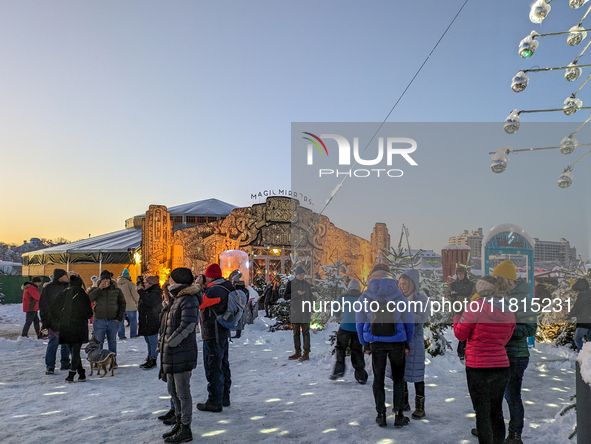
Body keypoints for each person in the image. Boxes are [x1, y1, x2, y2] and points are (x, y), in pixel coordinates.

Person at [454, 275, 516, 444]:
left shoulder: (475, 307)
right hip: (501, 366)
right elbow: (506, 338)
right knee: (496, 411)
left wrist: (456, 318)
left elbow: (460, 334)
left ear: (480, 289)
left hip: (478, 366)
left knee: (482, 412)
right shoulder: (508, 308)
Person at [355, 264, 414, 428]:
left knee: (378, 378)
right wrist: (407, 341)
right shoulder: (399, 296)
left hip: (375, 342)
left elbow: (359, 322)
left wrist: (364, 343)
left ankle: (381, 415)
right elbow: (409, 321)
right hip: (397, 342)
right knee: (398, 378)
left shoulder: (364, 297)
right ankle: (399, 415)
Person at [493, 260, 537, 444]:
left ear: (507, 279)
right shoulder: (500, 297)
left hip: (516, 355)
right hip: (498, 354)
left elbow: (530, 329)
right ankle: (491, 429)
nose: (495, 282)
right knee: (494, 395)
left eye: (498, 278)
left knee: (512, 397)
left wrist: (506, 328)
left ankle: (515, 434)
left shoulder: (524, 300)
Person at [159, 268, 200, 443]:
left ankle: (185, 427)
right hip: (171, 352)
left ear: (178, 281)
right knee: (172, 390)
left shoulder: (187, 299)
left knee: (183, 392)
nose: (168, 281)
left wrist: (171, 341)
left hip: (181, 351)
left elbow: (188, 325)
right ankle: (178, 421)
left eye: (170, 278)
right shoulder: (177, 299)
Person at [195, 263, 233, 412]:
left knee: (213, 367)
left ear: (209, 276)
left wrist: (198, 286)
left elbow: (200, 303)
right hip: (222, 332)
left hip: (213, 333)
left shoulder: (215, 290)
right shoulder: (226, 286)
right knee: (223, 364)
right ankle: (224, 397)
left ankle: (214, 401)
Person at [398, 269, 430, 419]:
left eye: (405, 284)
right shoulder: (398, 298)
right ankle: (404, 402)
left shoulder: (421, 299)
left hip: (415, 342)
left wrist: (404, 313)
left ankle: (420, 407)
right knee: (401, 372)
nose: (402, 287)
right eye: (400, 284)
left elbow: (422, 317)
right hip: (401, 340)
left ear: (412, 284)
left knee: (417, 374)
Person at [50, 274, 93, 383]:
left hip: (65, 325)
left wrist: (61, 318)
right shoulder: (83, 295)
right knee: (76, 351)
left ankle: (81, 373)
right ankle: (73, 373)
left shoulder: (63, 294)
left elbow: (54, 310)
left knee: (72, 351)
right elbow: (89, 313)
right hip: (79, 326)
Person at [330, 279, 367, 384]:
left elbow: (335, 308)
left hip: (345, 326)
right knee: (357, 350)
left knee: (340, 348)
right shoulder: (362, 297)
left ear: (349, 288)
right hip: (357, 327)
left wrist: (340, 316)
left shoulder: (343, 297)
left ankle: (339, 370)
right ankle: (361, 376)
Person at [88, 270, 126, 365]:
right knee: (98, 342)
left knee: (112, 341)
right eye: (103, 279)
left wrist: (119, 317)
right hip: (99, 320)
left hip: (113, 320)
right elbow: (89, 299)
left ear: (110, 279)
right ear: (100, 280)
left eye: (107, 279)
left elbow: (122, 303)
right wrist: (99, 289)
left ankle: (113, 360)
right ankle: (97, 360)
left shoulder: (117, 290)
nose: (105, 281)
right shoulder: (95, 289)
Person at [39, 268, 71, 374]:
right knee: (53, 343)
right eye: (65, 275)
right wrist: (46, 321)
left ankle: (65, 362)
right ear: (60, 277)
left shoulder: (69, 287)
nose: (67, 277)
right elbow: (43, 305)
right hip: (54, 321)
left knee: (66, 343)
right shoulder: (49, 288)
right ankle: (50, 366)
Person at [284, 265, 315, 361]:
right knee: (296, 333)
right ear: (296, 275)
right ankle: (297, 352)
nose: (302, 276)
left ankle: (306, 353)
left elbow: (310, 297)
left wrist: (311, 308)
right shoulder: (291, 284)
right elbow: (286, 296)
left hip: (305, 312)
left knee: (306, 333)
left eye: (303, 274)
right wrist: (297, 293)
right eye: (300, 274)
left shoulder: (307, 284)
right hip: (295, 312)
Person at [449, 266, 474, 362]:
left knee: (468, 329)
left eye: (461, 274)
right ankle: (461, 351)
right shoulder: (453, 285)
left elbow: (473, 295)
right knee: (461, 330)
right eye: (458, 274)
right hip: (458, 309)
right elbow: (449, 295)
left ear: (464, 274)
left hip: (468, 308)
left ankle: (464, 350)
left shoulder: (470, 284)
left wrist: (466, 300)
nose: (460, 276)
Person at [138, 275, 163, 370]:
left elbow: (150, 302)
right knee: (148, 340)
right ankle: (150, 357)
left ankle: (153, 358)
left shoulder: (156, 292)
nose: (144, 284)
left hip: (151, 320)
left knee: (152, 341)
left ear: (151, 284)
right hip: (146, 319)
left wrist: (141, 292)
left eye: (146, 282)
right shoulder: (148, 292)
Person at [569, 278, 591, 352]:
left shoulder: (582, 295)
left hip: (584, 320)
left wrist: (570, 315)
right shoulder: (588, 293)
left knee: (577, 338)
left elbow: (577, 307)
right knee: (589, 340)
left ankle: (582, 355)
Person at [117, 268, 140, 339]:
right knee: (133, 320)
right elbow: (136, 295)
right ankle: (133, 334)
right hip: (130, 306)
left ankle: (121, 335)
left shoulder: (116, 284)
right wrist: (137, 302)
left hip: (120, 306)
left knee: (120, 321)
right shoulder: (130, 284)